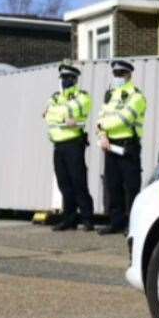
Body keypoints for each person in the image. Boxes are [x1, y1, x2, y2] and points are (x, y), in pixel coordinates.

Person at [96, 60, 147, 235]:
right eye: (115, 74)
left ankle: (132, 225)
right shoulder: (110, 95)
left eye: (121, 74)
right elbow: (99, 117)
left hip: (128, 145)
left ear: (129, 75)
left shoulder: (136, 96)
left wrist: (102, 126)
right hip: (110, 146)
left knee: (131, 188)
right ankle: (116, 223)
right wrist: (102, 136)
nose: (117, 77)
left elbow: (124, 120)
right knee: (113, 186)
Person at [43, 63, 95, 232]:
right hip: (58, 145)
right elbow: (47, 115)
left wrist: (56, 113)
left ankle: (87, 219)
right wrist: (63, 116)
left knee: (79, 182)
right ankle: (69, 219)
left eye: (67, 78)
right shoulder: (55, 96)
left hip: (74, 144)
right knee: (64, 183)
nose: (64, 81)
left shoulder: (83, 96)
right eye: (62, 78)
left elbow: (58, 112)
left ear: (74, 79)